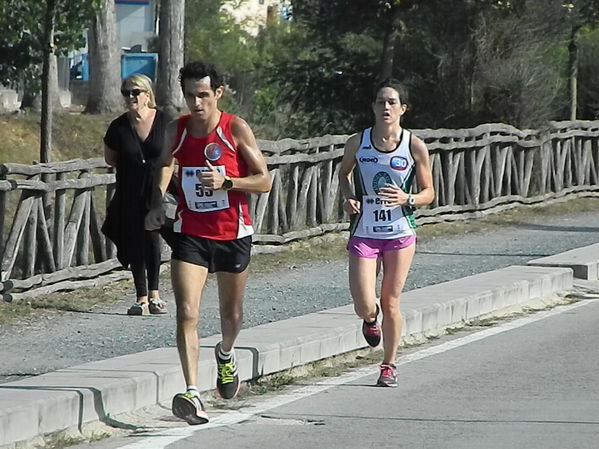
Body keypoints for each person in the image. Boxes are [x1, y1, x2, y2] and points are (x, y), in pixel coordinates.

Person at [146, 61, 272, 424]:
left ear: (218, 93)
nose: (196, 103)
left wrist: (228, 183)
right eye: (190, 95)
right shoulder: (178, 129)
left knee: (231, 316)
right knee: (187, 312)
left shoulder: (235, 128)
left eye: (203, 95)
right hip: (192, 234)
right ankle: (192, 391)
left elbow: (264, 180)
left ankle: (226, 353)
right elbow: (165, 164)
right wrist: (158, 201)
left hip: (232, 233)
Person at [338, 78, 435, 387]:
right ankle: (370, 318)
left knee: (390, 301)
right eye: (380, 102)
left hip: (399, 232)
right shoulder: (358, 142)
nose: (386, 107)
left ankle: (389, 364)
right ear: (373, 107)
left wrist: (407, 199)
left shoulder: (413, 146)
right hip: (365, 230)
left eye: (392, 102)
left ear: (402, 109)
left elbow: (429, 192)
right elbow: (344, 173)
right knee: (364, 301)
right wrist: (348, 196)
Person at [102, 73, 171, 316]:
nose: (130, 97)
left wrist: (161, 192)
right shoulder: (118, 126)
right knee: (133, 241)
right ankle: (140, 297)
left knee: (152, 239)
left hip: (157, 189)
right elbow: (110, 158)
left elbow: (173, 156)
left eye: (135, 92)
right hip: (129, 190)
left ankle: (155, 294)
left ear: (147, 94)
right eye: (126, 92)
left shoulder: (165, 121)